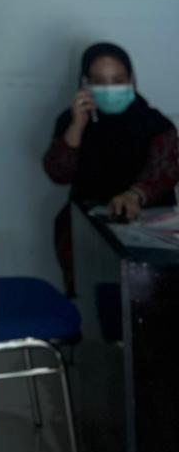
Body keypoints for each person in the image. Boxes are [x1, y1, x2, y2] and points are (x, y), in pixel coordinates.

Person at [43, 41, 179, 295]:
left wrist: (135, 195)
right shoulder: (70, 120)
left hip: (148, 227)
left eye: (118, 80)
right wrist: (77, 127)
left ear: (132, 81)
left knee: (148, 299)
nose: (109, 88)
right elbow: (58, 173)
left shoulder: (155, 123)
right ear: (85, 83)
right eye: (99, 81)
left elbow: (166, 171)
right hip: (87, 228)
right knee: (92, 299)